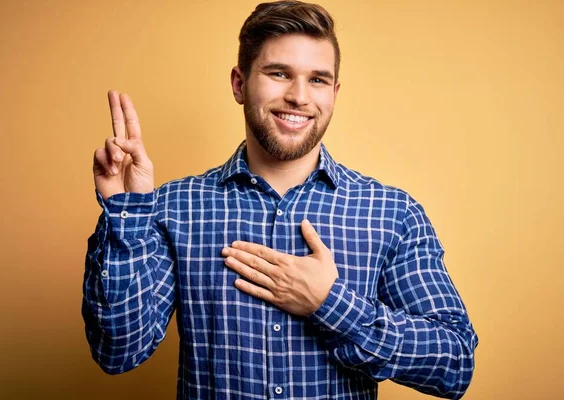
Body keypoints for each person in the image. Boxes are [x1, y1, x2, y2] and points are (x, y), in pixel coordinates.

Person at [82, 1, 479, 399]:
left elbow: (455, 365)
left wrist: (329, 303)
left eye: (318, 80)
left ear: (335, 93)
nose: (299, 97)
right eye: (278, 74)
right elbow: (118, 352)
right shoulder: (174, 206)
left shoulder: (392, 213)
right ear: (240, 84)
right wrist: (127, 213)